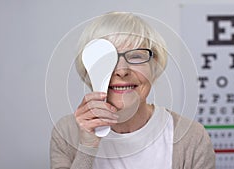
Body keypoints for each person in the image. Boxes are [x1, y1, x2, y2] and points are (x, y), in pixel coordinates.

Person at [50, 12, 215, 169]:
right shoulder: (66, 132)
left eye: (136, 56)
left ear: (154, 66)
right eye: (108, 59)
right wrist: (87, 147)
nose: (122, 71)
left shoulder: (192, 136)